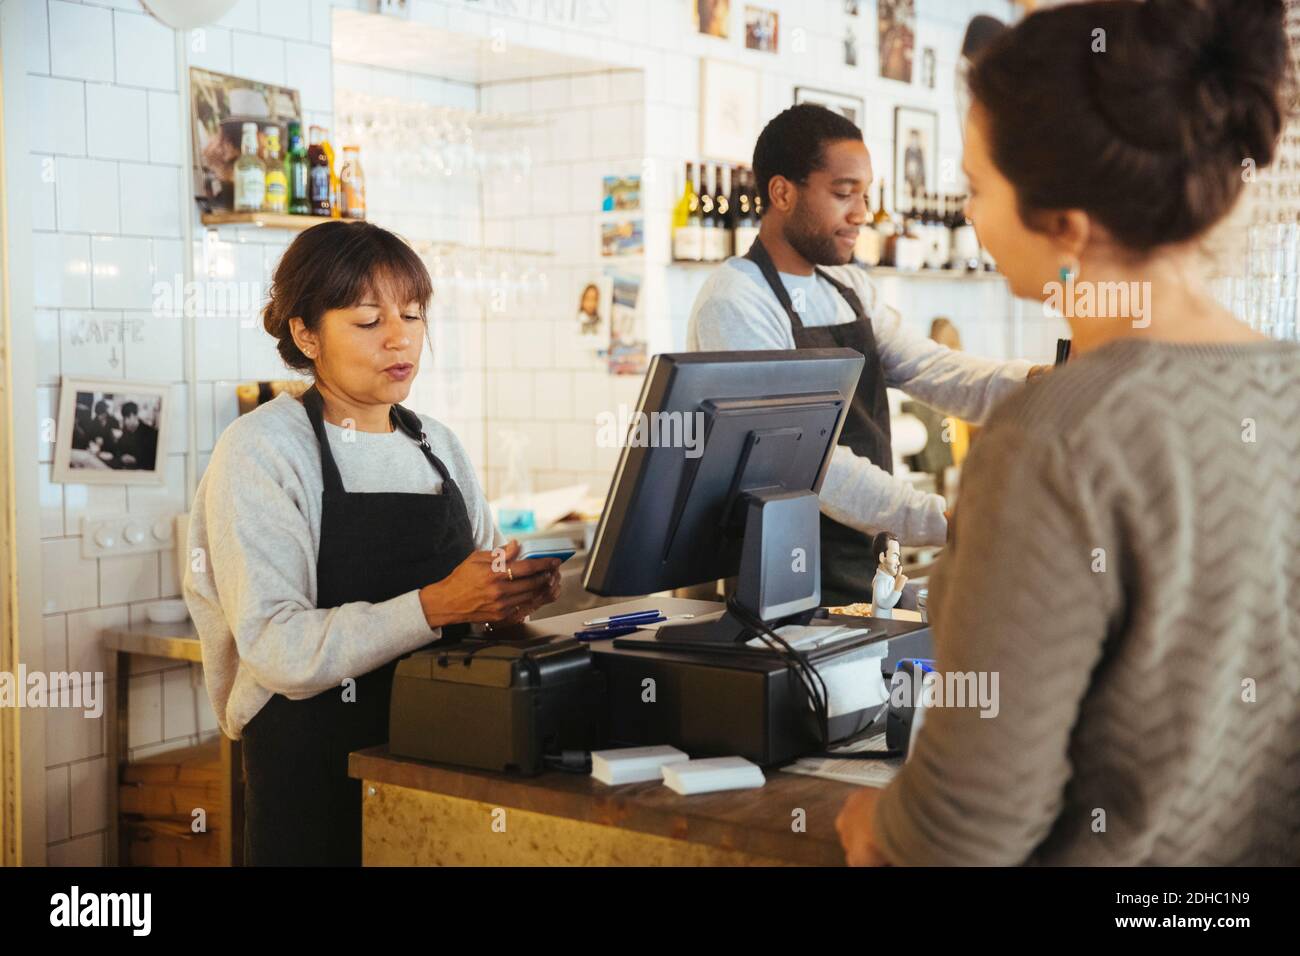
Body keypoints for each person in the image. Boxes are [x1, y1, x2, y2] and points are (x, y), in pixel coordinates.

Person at [836, 0, 1299, 865]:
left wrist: (879, 829)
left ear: (1067, 228)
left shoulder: (1055, 439)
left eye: (978, 189)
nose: (969, 216)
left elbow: (961, 835)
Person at [183, 221, 563, 866]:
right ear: (306, 334)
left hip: (440, 753)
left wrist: (510, 594)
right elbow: (278, 649)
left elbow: (479, 586)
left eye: (413, 316)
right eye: (366, 321)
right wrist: (437, 605)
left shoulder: (437, 445)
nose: (400, 337)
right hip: (312, 768)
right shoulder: (262, 450)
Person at [687, 103, 1047, 607]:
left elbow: (931, 368)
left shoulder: (850, 285)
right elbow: (803, 457)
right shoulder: (737, 299)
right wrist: (944, 520)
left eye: (865, 194)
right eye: (843, 193)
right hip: (783, 585)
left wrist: (1040, 384)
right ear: (782, 192)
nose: (861, 212)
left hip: (871, 566)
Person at [869, 532, 906, 620]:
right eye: (895, 556)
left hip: (886, 621)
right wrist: (897, 589)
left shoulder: (888, 578)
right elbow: (883, 604)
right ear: (882, 557)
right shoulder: (880, 580)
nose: (898, 562)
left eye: (898, 557)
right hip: (879, 622)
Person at [113, 401, 158, 471]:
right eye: (124, 418)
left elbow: (153, 460)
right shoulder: (126, 430)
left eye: (128, 417)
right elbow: (118, 449)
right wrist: (121, 457)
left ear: (135, 416)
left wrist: (136, 460)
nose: (125, 422)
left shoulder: (150, 433)